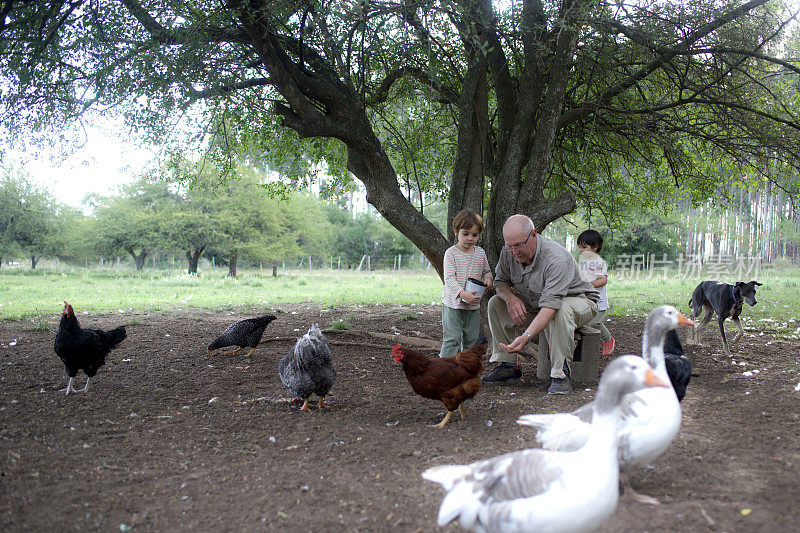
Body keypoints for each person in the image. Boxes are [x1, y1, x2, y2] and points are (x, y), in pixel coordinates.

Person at [482, 215, 598, 394]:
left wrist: (526, 336)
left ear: (534, 235)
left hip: (579, 301)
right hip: (538, 304)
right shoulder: (509, 252)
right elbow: (501, 283)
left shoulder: (557, 259)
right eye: (509, 246)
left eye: (519, 245)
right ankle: (508, 365)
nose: (514, 252)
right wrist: (510, 298)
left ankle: (561, 374)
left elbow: (551, 307)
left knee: (561, 309)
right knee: (496, 303)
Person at [439, 209, 493, 358]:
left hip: (472, 305)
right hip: (453, 304)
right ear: (456, 232)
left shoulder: (480, 253)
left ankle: (467, 373)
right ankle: (444, 372)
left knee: (471, 339)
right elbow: (449, 279)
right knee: (452, 339)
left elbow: (486, 271)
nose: (470, 238)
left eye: (475, 235)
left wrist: (488, 279)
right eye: (466, 233)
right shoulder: (451, 253)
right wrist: (463, 294)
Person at [577, 229, 615, 356]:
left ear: (594, 247)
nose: (580, 250)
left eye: (584, 247)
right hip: (586, 301)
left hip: (599, 302)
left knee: (595, 323)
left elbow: (603, 280)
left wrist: (588, 285)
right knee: (585, 324)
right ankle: (586, 350)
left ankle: (608, 339)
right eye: (579, 247)